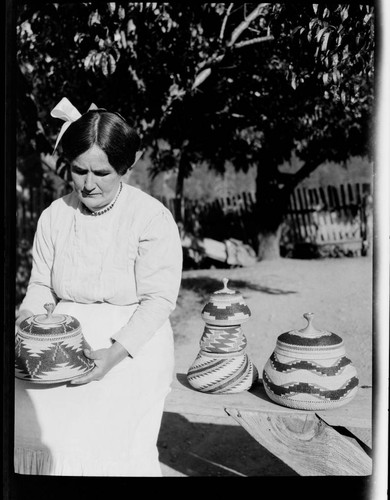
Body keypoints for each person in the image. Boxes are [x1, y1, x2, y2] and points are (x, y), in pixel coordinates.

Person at [14, 98, 183, 476]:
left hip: (130, 347)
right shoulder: (55, 216)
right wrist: (29, 330)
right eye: (78, 171)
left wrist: (112, 355)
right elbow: (41, 286)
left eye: (101, 173)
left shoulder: (151, 218)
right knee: (26, 413)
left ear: (126, 166)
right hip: (60, 343)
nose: (88, 185)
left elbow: (158, 301)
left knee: (105, 429)